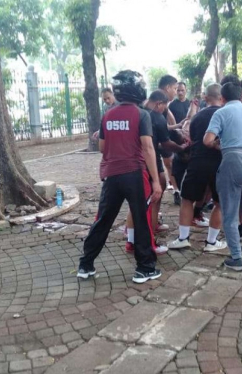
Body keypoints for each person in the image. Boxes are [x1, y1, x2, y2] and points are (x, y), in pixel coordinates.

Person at [77, 70, 162, 284]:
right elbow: (148, 148)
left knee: (103, 220)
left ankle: (86, 264)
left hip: (111, 176)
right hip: (134, 174)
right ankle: (145, 268)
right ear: (137, 89)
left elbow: (102, 147)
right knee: (141, 219)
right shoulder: (141, 115)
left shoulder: (108, 115)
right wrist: (156, 180)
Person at [204, 82, 242, 271]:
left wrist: (219, 144)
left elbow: (207, 140)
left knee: (230, 210)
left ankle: (237, 257)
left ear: (222, 98)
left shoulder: (220, 113)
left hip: (233, 159)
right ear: (241, 96)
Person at [123, 90, 187, 254]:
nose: (164, 110)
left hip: (130, 162)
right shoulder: (154, 116)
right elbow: (163, 144)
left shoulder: (135, 111)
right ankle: (148, 241)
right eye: (164, 106)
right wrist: (180, 148)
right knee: (151, 198)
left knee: (138, 202)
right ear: (159, 103)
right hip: (147, 161)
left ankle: (131, 239)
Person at [168, 83, 226, 252]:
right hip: (219, 164)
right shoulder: (225, 115)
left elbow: (191, 139)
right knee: (219, 203)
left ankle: (183, 238)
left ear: (205, 98)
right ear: (222, 98)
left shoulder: (197, 117)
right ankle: (211, 242)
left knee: (187, 199)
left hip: (197, 162)